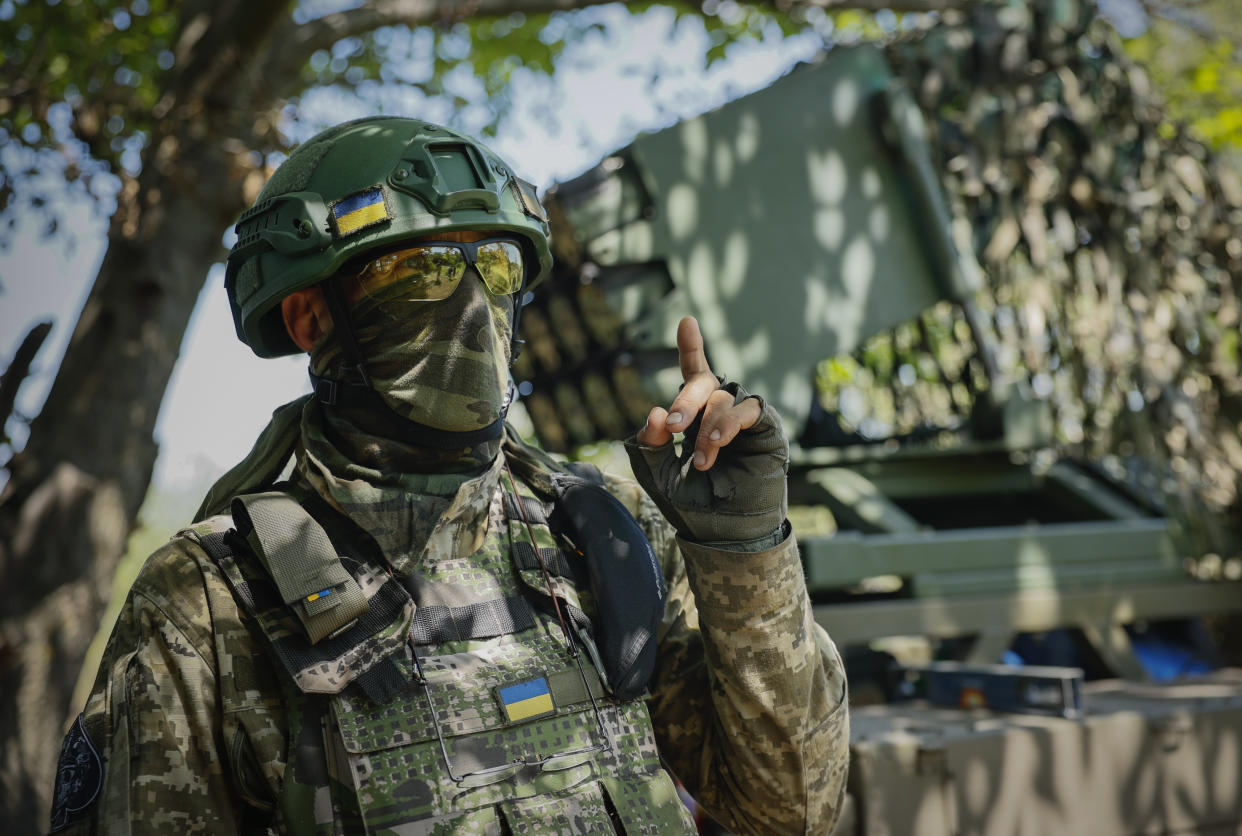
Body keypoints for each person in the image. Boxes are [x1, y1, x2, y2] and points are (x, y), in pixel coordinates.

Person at [51, 117, 848, 835]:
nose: (473, 308)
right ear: (310, 317)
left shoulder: (605, 536)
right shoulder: (210, 604)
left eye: (494, 272)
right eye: (422, 273)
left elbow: (790, 812)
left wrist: (746, 550)